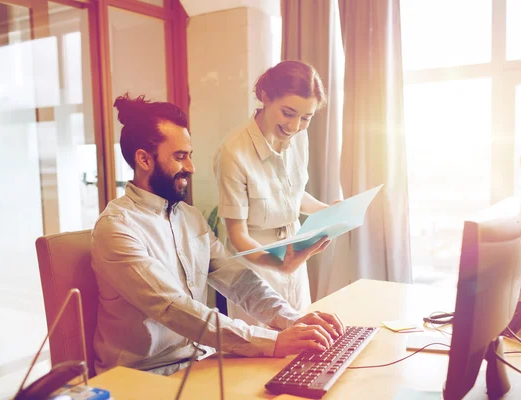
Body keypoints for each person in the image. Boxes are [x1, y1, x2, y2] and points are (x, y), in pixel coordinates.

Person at [91, 93, 345, 376]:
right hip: (145, 377)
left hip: (198, 363)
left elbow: (239, 280)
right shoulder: (117, 228)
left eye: (189, 155)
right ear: (144, 159)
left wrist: (293, 319)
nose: (191, 167)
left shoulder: (189, 218)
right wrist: (273, 341)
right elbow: (174, 308)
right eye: (179, 157)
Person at [213, 60, 337, 326]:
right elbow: (238, 236)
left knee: (306, 338)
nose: (294, 126)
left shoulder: (298, 139)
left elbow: (293, 197)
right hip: (257, 268)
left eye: (306, 117)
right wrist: (278, 264)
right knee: (265, 354)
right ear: (265, 97)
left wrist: (328, 212)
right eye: (288, 113)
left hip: (293, 261)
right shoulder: (233, 152)